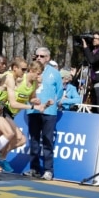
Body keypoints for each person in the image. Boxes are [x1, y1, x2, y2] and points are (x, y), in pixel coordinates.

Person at [25, 47, 62, 181]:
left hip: (49, 111)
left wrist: (54, 102)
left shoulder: (54, 73)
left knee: (47, 141)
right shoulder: (31, 72)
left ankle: (48, 170)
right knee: (34, 140)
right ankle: (34, 169)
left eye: (42, 56)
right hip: (33, 110)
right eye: (37, 56)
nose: (39, 58)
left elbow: (59, 91)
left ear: (48, 58)